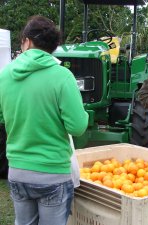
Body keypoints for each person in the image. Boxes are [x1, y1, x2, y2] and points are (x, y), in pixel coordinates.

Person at [0, 16, 89, 225]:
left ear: (27, 41)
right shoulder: (63, 76)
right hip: (53, 173)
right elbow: (77, 127)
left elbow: (3, 117)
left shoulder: (4, 76)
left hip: (17, 170)